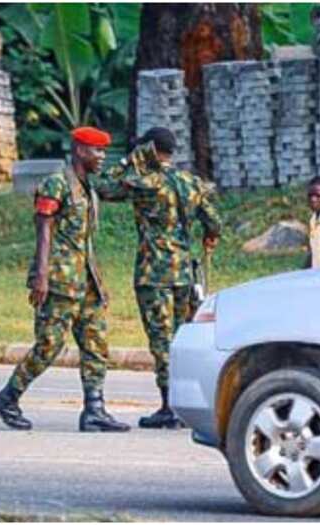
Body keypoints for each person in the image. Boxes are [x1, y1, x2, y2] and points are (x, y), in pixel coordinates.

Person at [0, 126, 129, 433]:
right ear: (79, 150)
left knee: (96, 344)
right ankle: (7, 398)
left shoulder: (86, 186)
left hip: (86, 280)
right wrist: (40, 274)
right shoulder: (57, 183)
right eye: (97, 150)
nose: (102, 157)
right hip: (59, 280)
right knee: (49, 345)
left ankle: (94, 410)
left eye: (104, 151)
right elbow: (44, 228)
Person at [93, 127, 221, 429]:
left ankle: (169, 407)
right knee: (181, 338)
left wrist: (128, 160)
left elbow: (103, 185)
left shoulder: (144, 182)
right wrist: (210, 236)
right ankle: (183, 406)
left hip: (155, 275)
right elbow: (214, 220)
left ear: (149, 148)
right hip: (184, 274)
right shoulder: (190, 182)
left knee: (162, 343)